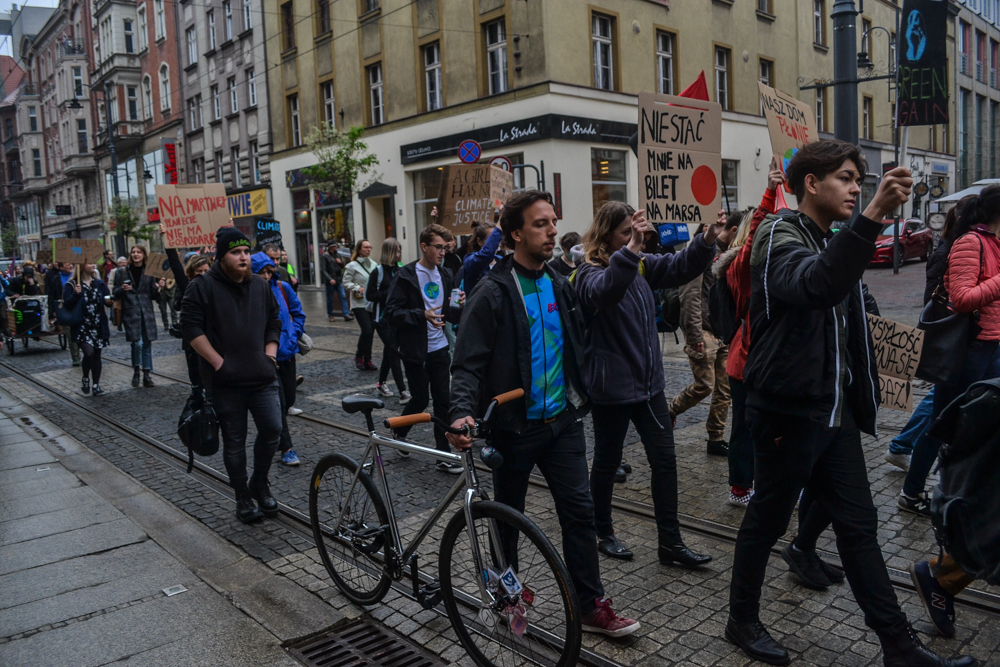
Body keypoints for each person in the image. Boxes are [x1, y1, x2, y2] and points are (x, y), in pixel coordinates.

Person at [725, 139, 974, 667]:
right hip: (788, 413)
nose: (856, 186)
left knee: (860, 528)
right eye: (845, 177)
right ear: (810, 184)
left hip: (831, 413)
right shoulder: (778, 234)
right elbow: (815, 285)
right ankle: (741, 619)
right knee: (766, 523)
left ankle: (898, 646)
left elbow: (849, 303)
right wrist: (877, 214)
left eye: (860, 179)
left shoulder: (828, 237)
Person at [448, 190, 640, 637]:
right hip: (514, 430)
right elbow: (468, 364)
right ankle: (505, 598)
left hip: (563, 423)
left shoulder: (559, 281)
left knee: (580, 514)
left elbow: (596, 309)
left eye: (554, 221)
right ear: (515, 233)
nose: (552, 230)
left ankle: (593, 607)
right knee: (507, 521)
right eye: (541, 224)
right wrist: (460, 414)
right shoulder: (492, 291)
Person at [575, 200, 726, 566]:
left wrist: (706, 239)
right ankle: (603, 531)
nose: (635, 238)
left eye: (636, 232)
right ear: (606, 235)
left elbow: (678, 266)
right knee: (607, 463)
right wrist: (632, 250)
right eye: (626, 233)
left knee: (665, 462)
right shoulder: (588, 272)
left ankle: (670, 544)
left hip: (649, 388)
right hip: (613, 390)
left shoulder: (640, 265)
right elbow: (607, 290)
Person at [899, 186, 1000, 516]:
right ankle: (913, 492)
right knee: (944, 424)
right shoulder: (971, 242)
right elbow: (962, 297)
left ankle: (963, 493)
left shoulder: (995, 243)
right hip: (968, 350)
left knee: (981, 426)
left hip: (993, 346)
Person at [182, 227, 283, 524]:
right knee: (234, 442)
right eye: (235, 253)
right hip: (226, 383)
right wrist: (218, 363)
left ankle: (259, 481)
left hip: (262, 378)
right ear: (220, 256)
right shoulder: (202, 286)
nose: (243, 258)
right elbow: (191, 329)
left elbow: (274, 321)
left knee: (273, 430)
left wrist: (270, 355)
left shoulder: (261, 286)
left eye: (246, 252)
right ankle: (242, 495)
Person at [884, 198, 976, 473]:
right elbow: (933, 298)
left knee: (943, 394)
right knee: (940, 396)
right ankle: (903, 447)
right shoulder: (951, 250)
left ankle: (903, 446)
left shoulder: (963, 245)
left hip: (963, 333)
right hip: (953, 334)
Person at [713, 164, 783, 507]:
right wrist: (769, 192)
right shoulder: (741, 264)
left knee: (776, 427)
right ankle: (741, 488)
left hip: (766, 359)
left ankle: (775, 482)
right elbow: (756, 232)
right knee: (746, 427)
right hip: (747, 361)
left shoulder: (766, 262)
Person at [384, 223, 463, 472]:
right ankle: (399, 431)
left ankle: (443, 455)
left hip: (439, 347)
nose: (442, 252)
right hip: (415, 350)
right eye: (438, 247)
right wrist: (421, 315)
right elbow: (391, 312)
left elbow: (449, 314)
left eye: (445, 248)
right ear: (424, 246)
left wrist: (459, 305)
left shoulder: (446, 274)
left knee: (443, 401)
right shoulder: (406, 275)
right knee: (419, 399)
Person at [669, 212, 739, 457]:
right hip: (704, 332)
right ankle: (669, 411)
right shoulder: (701, 252)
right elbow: (689, 296)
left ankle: (716, 438)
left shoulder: (729, 253)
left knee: (725, 389)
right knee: (705, 386)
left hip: (723, 332)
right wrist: (694, 335)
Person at [252, 251, 306, 467]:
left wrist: (295, 333)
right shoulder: (249, 292)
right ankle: (287, 448)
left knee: (289, 398)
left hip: (287, 353)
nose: (265, 276)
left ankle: (273, 432)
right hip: (265, 358)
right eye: (260, 272)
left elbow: (298, 312)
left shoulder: (282, 287)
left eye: (268, 271)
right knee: (279, 402)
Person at [112, 245, 165, 388]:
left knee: (147, 343)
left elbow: (153, 294)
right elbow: (114, 292)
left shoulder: (149, 272)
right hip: (130, 312)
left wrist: (160, 286)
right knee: (137, 343)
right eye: (133, 252)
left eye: (139, 252)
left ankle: (146, 374)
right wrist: (122, 289)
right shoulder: (122, 272)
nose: (136, 255)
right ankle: (136, 370)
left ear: (143, 255)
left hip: (146, 312)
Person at [366, 237, 410, 403]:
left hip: (397, 319)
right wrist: (388, 294)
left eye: (400, 251)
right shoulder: (378, 272)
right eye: (396, 251)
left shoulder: (401, 269)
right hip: (382, 319)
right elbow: (370, 295)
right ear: (389, 252)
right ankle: (403, 391)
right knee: (394, 351)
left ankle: (381, 383)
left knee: (389, 352)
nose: (398, 254)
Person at [63, 262, 111, 396]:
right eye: (90, 263)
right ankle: (85, 377)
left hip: (97, 324)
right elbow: (66, 303)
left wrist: (109, 301)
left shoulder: (99, 283)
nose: (93, 265)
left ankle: (96, 384)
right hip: (82, 325)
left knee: (97, 355)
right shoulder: (72, 285)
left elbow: (107, 297)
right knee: (88, 353)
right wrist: (75, 294)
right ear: (82, 266)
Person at [343, 239, 377, 371]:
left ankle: (368, 359)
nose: (368, 249)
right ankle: (359, 356)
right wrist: (357, 288)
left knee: (371, 332)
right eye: (366, 247)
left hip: (371, 303)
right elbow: (345, 282)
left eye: (370, 247)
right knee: (367, 330)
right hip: (358, 303)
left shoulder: (374, 264)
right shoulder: (352, 266)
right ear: (359, 249)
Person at [46, 262, 82, 366]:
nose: (70, 266)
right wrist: (52, 313)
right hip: (65, 309)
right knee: (70, 334)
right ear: (61, 267)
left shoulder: (77, 277)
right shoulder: (56, 279)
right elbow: (51, 296)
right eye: (67, 265)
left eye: (71, 264)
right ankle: (75, 356)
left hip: (77, 308)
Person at [321, 242, 352, 321]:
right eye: (334, 246)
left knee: (343, 296)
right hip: (330, 281)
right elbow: (323, 269)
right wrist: (329, 279)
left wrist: (340, 263)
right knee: (330, 299)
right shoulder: (325, 256)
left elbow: (342, 267)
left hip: (338, 280)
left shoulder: (337, 255)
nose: (336, 247)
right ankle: (330, 315)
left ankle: (346, 314)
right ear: (331, 247)